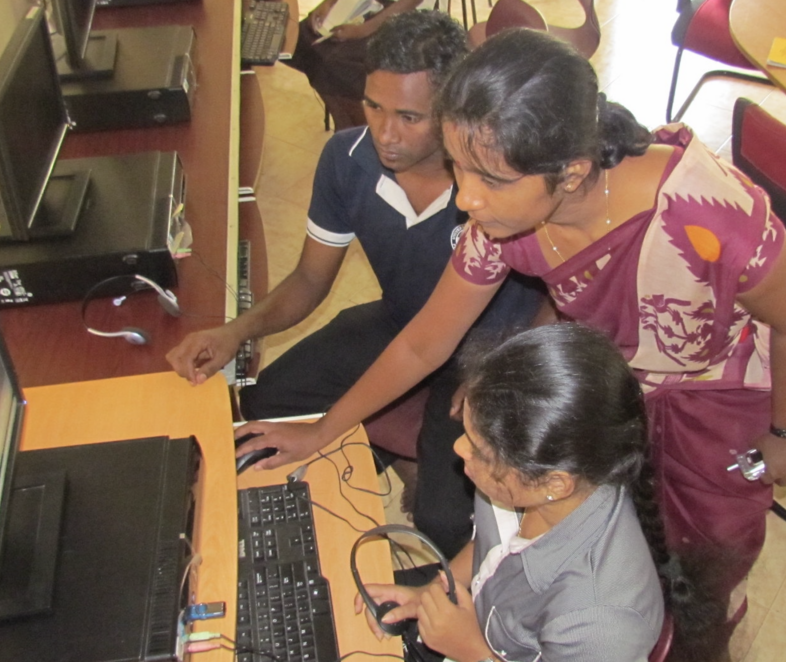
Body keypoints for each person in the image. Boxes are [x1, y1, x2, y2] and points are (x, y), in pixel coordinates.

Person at [235, 28, 786, 653]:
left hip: (716, 399)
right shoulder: (502, 219)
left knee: (701, 558)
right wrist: (322, 430)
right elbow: (424, 342)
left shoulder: (708, 213)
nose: (466, 198)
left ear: (569, 174)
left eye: (488, 178)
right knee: (600, 542)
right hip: (606, 387)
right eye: (459, 168)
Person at [166, 12, 545, 558]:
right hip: (403, 322)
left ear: (453, 109)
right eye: (373, 106)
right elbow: (309, 280)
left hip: (485, 353)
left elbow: (556, 295)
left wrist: (504, 373)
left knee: (445, 519)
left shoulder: (493, 184)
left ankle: (408, 460)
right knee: (261, 405)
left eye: (410, 116)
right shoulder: (346, 161)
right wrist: (236, 331)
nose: (384, 133)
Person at [355, 324, 727, 662]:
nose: (459, 450)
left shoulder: (601, 623)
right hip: (475, 613)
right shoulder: (528, 483)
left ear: (554, 484)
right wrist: (436, 590)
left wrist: (474, 651)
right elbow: (494, 545)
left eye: (479, 449)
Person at [286, 0, 433, 130]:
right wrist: (328, 3)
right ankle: (344, 122)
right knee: (303, 40)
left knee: (337, 62)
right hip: (365, 5)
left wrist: (362, 30)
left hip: (406, 14)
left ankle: (361, 129)